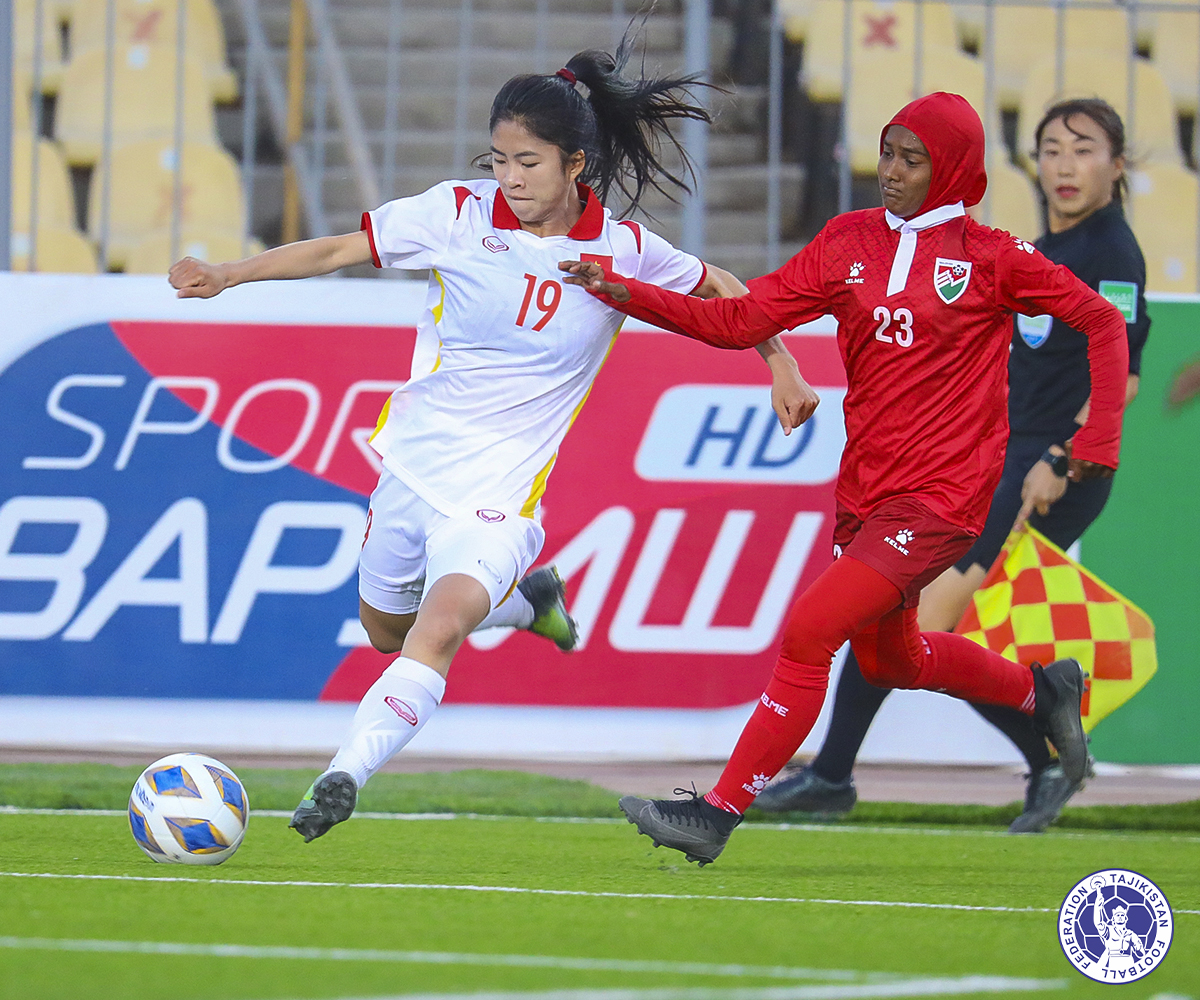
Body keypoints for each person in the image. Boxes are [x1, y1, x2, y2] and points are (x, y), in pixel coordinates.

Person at [168, 42, 817, 843]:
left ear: (575, 164)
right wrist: (229, 274)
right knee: (387, 633)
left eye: (528, 162)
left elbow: (719, 285)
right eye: (499, 159)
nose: (509, 177)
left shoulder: (621, 249)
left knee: (437, 630)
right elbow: (338, 249)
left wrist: (781, 363)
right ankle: (527, 603)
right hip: (413, 471)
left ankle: (342, 776)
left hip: (502, 496)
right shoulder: (454, 214)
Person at [562, 92, 1128, 866]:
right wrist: (624, 292)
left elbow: (1102, 320)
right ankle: (1044, 691)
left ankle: (716, 813)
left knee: (810, 631)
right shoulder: (847, 242)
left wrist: (1099, 437)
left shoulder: (993, 256)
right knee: (891, 660)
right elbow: (741, 321)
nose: (890, 171)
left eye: (911, 160)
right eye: (887, 152)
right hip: (867, 494)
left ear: (952, 169)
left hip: (942, 500)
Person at [755, 98, 1149, 834]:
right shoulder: (1037, 246)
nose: (1064, 166)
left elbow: (1120, 373)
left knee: (917, 616)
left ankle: (851, 772)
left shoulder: (1111, 252)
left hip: (1042, 466)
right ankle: (855, 770)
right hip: (999, 457)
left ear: (1117, 165)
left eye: (1083, 150)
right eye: (1051, 149)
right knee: (906, 617)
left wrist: (1063, 456)